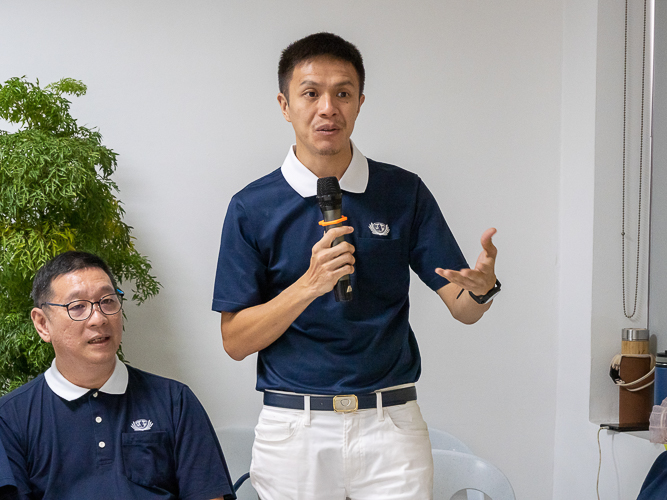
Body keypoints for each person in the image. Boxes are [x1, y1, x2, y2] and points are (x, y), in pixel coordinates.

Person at [212, 32, 500, 499]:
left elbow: (463, 307)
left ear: (360, 102)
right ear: (285, 105)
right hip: (294, 431)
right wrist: (309, 284)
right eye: (311, 93)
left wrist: (483, 288)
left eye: (342, 93)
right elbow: (235, 341)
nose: (328, 107)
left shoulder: (402, 192)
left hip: (391, 426)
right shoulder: (252, 206)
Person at [0, 251, 236, 500]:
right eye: (77, 306)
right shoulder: (11, 417)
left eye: (108, 301)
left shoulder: (175, 401)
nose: (99, 318)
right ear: (42, 324)